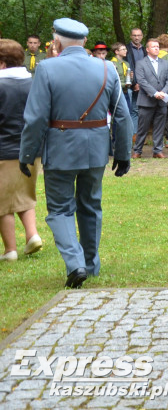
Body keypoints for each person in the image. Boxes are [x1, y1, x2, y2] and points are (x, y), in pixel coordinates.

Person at [19, 19, 131, 287]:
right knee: (91, 205)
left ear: (56, 42)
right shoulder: (107, 68)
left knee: (59, 210)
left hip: (60, 148)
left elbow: (35, 119)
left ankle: (75, 263)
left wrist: (26, 154)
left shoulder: (46, 68)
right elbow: (123, 116)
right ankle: (90, 264)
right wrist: (123, 153)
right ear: (84, 42)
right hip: (96, 149)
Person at [0, 39, 43, 262]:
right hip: (32, 150)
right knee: (25, 195)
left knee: (2, 203)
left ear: (2, 63)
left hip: (3, 151)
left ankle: (10, 251)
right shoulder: (33, 83)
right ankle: (32, 235)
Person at [132, 39, 168, 159]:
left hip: (162, 101)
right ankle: (138, 151)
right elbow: (141, 80)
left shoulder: (165, 63)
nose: (156, 48)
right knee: (142, 127)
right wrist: (154, 93)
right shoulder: (141, 63)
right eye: (153, 46)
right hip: (146, 100)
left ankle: (157, 151)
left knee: (159, 127)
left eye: (157, 46)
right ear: (147, 49)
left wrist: (163, 92)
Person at [125, 27, 146, 135]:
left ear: (142, 36)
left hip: (144, 85)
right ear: (131, 36)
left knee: (140, 110)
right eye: (134, 35)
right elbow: (126, 67)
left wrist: (142, 84)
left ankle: (137, 135)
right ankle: (131, 134)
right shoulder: (126, 49)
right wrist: (134, 84)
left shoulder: (145, 50)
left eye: (139, 35)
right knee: (130, 110)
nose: (137, 37)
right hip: (129, 85)